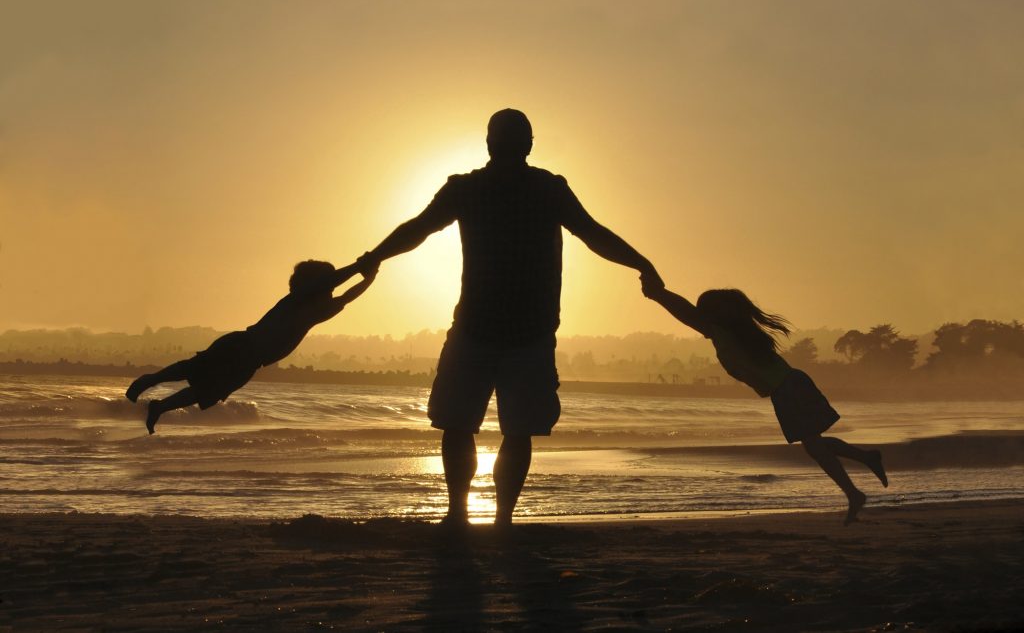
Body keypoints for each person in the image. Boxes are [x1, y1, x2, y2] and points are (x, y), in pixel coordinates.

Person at [354, 109, 662, 527]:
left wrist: (375, 257)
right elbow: (593, 234)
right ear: (529, 145)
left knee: (460, 425)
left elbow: (418, 229)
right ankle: (500, 520)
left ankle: (459, 514)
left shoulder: (472, 189)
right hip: (524, 332)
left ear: (488, 143)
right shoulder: (544, 189)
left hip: (483, 330)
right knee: (512, 431)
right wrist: (641, 263)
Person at [645, 285, 888, 524]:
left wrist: (659, 294)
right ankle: (865, 461)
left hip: (788, 388)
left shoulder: (724, 331)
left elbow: (685, 312)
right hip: (791, 385)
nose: (701, 315)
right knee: (814, 443)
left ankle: (855, 491)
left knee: (814, 445)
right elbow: (690, 313)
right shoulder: (740, 332)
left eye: (704, 309)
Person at [126, 261, 376, 434]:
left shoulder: (319, 312)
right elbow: (331, 283)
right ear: (314, 285)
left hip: (251, 361)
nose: (331, 290)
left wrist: (369, 277)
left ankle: (159, 407)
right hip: (241, 345)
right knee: (194, 367)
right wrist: (357, 267)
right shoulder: (295, 300)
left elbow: (347, 297)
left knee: (207, 392)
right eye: (327, 286)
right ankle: (151, 379)